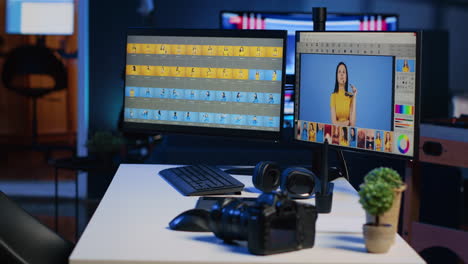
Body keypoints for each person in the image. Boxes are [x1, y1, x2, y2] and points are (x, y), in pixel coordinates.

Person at [330, 62, 357, 126]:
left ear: (346, 76)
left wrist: (355, 96)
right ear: (336, 76)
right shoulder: (333, 96)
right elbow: (334, 123)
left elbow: (352, 124)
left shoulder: (350, 96)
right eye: (339, 72)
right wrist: (345, 123)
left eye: (344, 72)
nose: (341, 74)